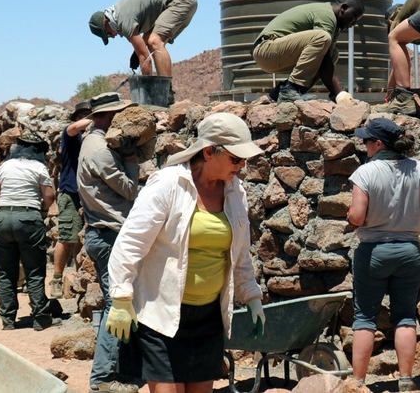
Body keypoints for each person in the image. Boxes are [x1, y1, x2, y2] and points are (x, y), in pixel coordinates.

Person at [106, 112, 266, 393]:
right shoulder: (169, 185)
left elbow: (240, 253)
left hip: (208, 319)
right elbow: (131, 241)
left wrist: (251, 296)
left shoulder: (235, 192)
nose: (242, 165)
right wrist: (121, 296)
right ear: (208, 152)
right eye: (235, 158)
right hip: (162, 316)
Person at [346, 117, 420, 392]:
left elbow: (358, 215)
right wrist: (412, 219)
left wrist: (352, 217)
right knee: (405, 317)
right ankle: (406, 380)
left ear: (378, 143)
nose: (363, 145)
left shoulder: (366, 172)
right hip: (409, 251)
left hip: (373, 251)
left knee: (364, 318)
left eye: (366, 140)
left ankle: (359, 384)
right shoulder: (417, 168)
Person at [77, 92, 142, 393]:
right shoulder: (101, 149)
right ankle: (102, 377)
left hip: (103, 233)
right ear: (108, 115)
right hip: (110, 234)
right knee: (117, 305)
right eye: (119, 114)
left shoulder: (91, 143)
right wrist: (131, 158)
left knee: (120, 302)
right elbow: (128, 190)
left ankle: (125, 370)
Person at [0, 131, 63, 331]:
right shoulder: (39, 167)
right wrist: (42, 210)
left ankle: (8, 320)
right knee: (34, 271)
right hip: (28, 218)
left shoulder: (4, 166)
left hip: (1, 219)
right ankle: (41, 318)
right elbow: (49, 196)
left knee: (5, 271)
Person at [251, 0, 364, 102]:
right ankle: (290, 90)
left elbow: (325, 61)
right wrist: (339, 93)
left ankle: (283, 92)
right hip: (266, 49)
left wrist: (338, 96)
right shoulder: (327, 15)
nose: (353, 23)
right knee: (322, 38)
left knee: (333, 54)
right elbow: (325, 60)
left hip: (275, 54)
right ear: (343, 8)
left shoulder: (335, 26)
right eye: (353, 16)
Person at [89, 0, 198, 77]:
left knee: (154, 41)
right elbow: (144, 41)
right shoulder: (119, 12)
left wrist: (146, 88)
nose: (112, 36)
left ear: (107, 22)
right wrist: (136, 54)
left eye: (107, 34)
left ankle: (165, 93)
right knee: (150, 41)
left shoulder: (122, 19)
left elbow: (145, 58)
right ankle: (165, 91)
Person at [49, 101, 93, 299]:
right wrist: (94, 119)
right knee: (67, 237)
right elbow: (74, 128)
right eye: (82, 115)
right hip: (71, 193)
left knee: (82, 241)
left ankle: (79, 281)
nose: (86, 118)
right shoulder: (70, 134)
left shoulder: (93, 138)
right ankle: (57, 280)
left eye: (89, 114)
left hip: (89, 194)